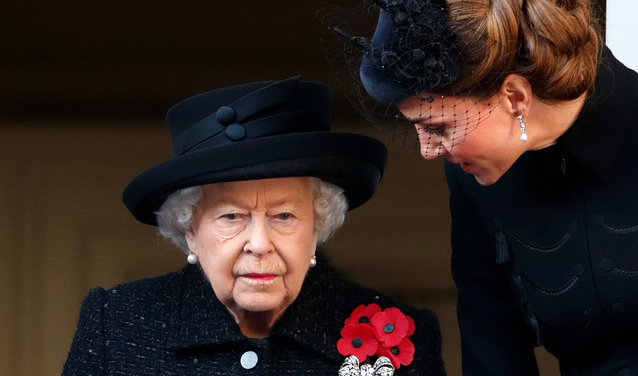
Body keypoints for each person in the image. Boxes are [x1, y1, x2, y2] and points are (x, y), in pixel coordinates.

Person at [330, 0, 638, 376]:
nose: (428, 150)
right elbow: (493, 361)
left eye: (440, 127)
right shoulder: (477, 186)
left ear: (514, 96)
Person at [62, 76, 446, 375]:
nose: (259, 244)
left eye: (283, 216)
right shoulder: (117, 328)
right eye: (232, 216)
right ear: (189, 229)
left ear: (318, 225)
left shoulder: (403, 338)